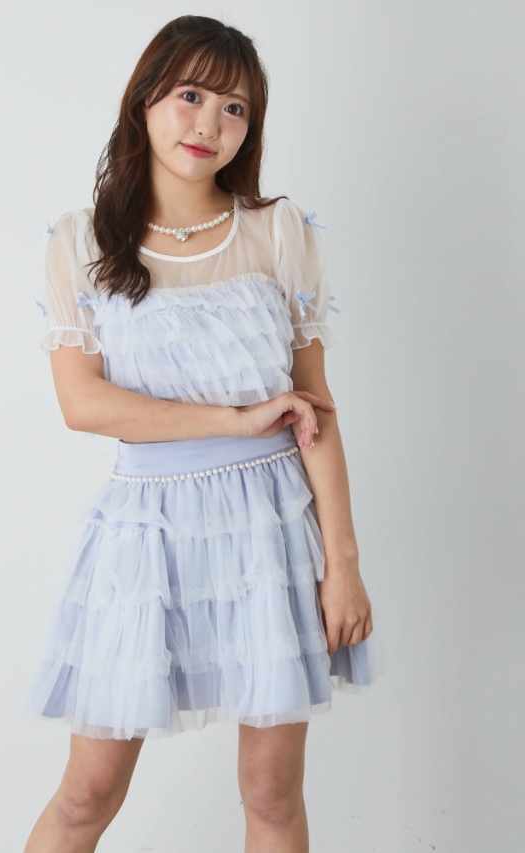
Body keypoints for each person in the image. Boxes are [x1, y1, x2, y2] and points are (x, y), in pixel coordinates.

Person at [23, 14, 385, 853]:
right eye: (190, 95)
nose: (209, 124)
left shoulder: (278, 231)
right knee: (86, 793)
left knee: (271, 793)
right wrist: (237, 418)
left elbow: (317, 408)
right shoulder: (82, 240)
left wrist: (343, 563)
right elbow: (84, 403)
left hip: (269, 528)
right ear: (145, 99)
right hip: (144, 532)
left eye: (234, 108)